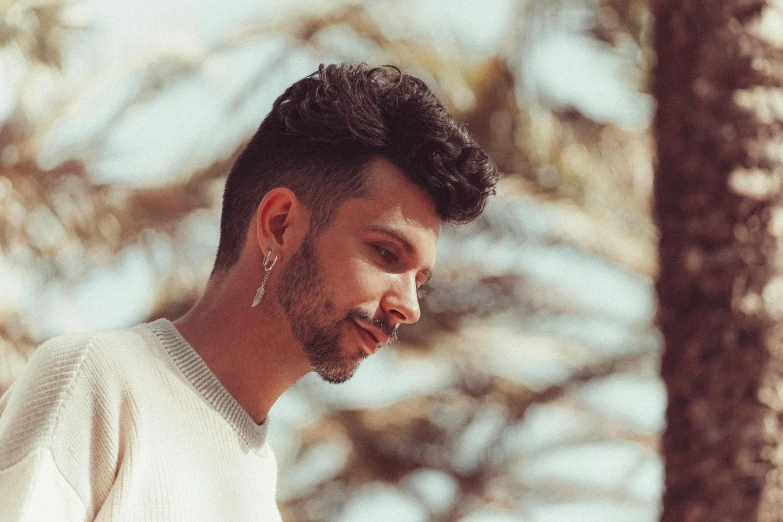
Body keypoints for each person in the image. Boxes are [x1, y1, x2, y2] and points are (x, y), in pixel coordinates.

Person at [0, 63, 498, 521]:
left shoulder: (257, 489)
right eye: (387, 254)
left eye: (419, 281)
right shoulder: (97, 380)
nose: (408, 307)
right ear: (280, 224)